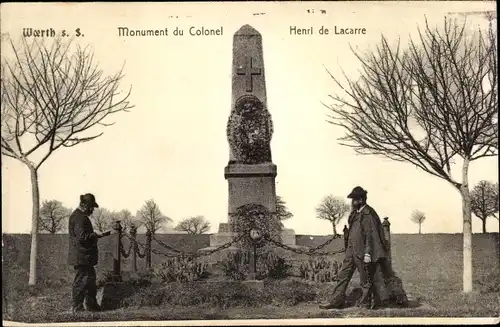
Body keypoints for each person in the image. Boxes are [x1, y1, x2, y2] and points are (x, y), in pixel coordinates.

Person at [319, 186, 389, 309]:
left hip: (362, 252)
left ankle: (366, 304)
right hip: (351, 251)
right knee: (343, 276)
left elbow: (371, 236)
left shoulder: (368, 214)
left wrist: (368, 253)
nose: (352, 202)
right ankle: (335, 301)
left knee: (365, 279)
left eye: (354, 199)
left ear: (361, 200)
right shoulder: (356, 213)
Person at [67, 193, 111, 313]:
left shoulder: (78, 216)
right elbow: (82, 237)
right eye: (91, 207)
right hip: (82, 256)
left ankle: (91, 306)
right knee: (81, 282)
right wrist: (96, 235)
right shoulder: (80, 218)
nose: (92, 210)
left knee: (90, 281)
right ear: (84, 205)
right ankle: (77, 308)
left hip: (83, 256)